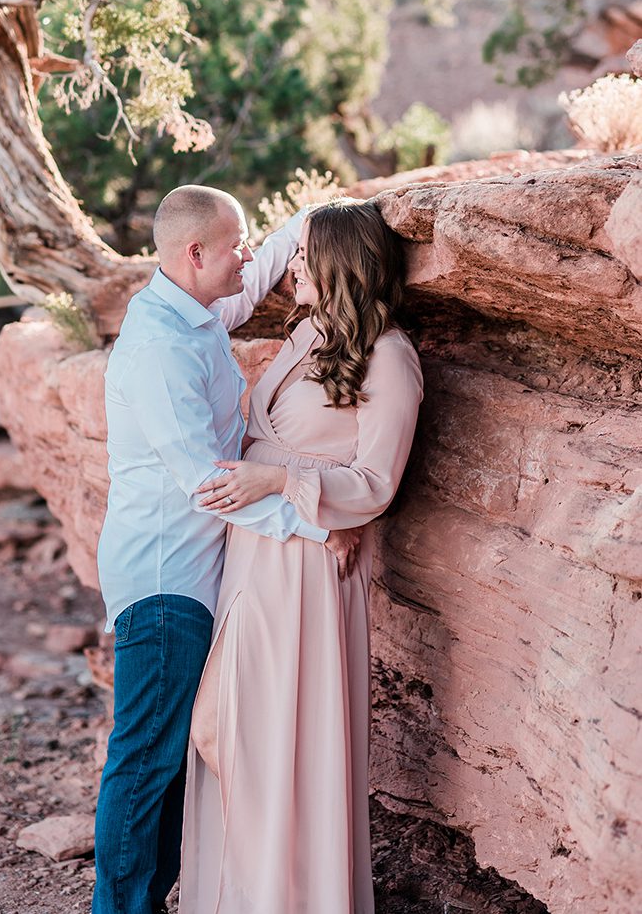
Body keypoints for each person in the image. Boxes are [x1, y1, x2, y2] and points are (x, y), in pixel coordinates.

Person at [92, 186, 358, 914]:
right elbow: (208, 484)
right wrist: (315, 522)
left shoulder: (196, 309)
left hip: (192, 577)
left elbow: (264, 263)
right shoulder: (157, 351)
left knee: (171, 760)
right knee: (146, 761)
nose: (249, 254)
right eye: (233, 243)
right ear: (194, 254)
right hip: (164, 582)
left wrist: (318, 217)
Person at [181, 197, 424, 912]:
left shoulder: (389, 356)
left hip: (308, 569)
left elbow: (376, 481)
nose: (290, 264)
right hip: (254, 552)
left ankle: (285, 894)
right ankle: (254, 888)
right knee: (219, 729)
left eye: (303, 252)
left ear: (339, 263)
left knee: (273, 735)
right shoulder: (306, 336)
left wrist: (286, 481)